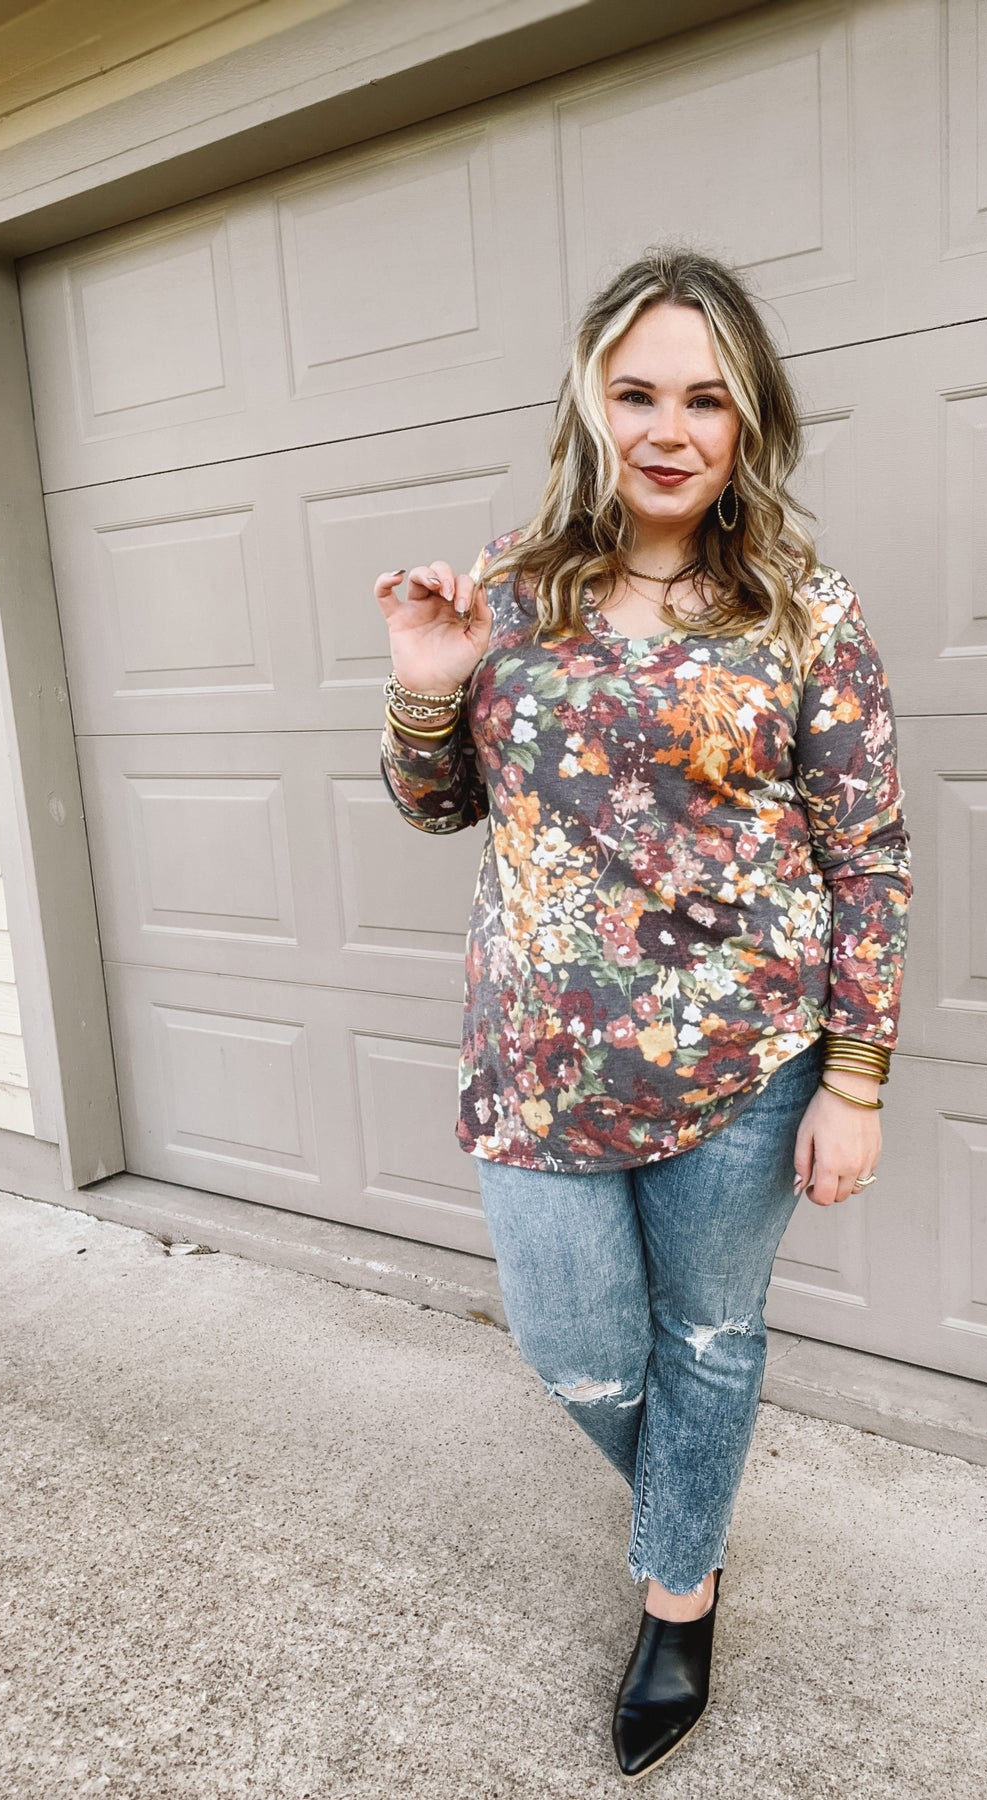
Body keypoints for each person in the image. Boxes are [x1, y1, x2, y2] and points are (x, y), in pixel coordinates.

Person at [375, 247, 910, 1781]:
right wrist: (425, 683)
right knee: (579, 1353)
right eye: (636, 393)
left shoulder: (802, 608)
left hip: (746, 1062)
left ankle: (679, 1593)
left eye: (705, 400)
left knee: (710, 1335)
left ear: (748, 422)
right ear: (589, 406)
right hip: (538, 1060)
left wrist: (855, 1079)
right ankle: (693, 1509)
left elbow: (867, 854)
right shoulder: (513, 587)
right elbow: (438, 804)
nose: (668, 429)